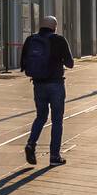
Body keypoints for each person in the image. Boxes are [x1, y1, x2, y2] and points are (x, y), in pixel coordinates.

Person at [21, 16, 74, 166]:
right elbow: (70, 64)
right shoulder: (59, 40)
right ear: (55, 27)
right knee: (57, 120)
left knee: (40, 117)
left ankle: (31, 143)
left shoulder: (31, 40)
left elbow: (24, 62)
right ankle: (54, 157)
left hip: (38, 85)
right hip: (56, 85)